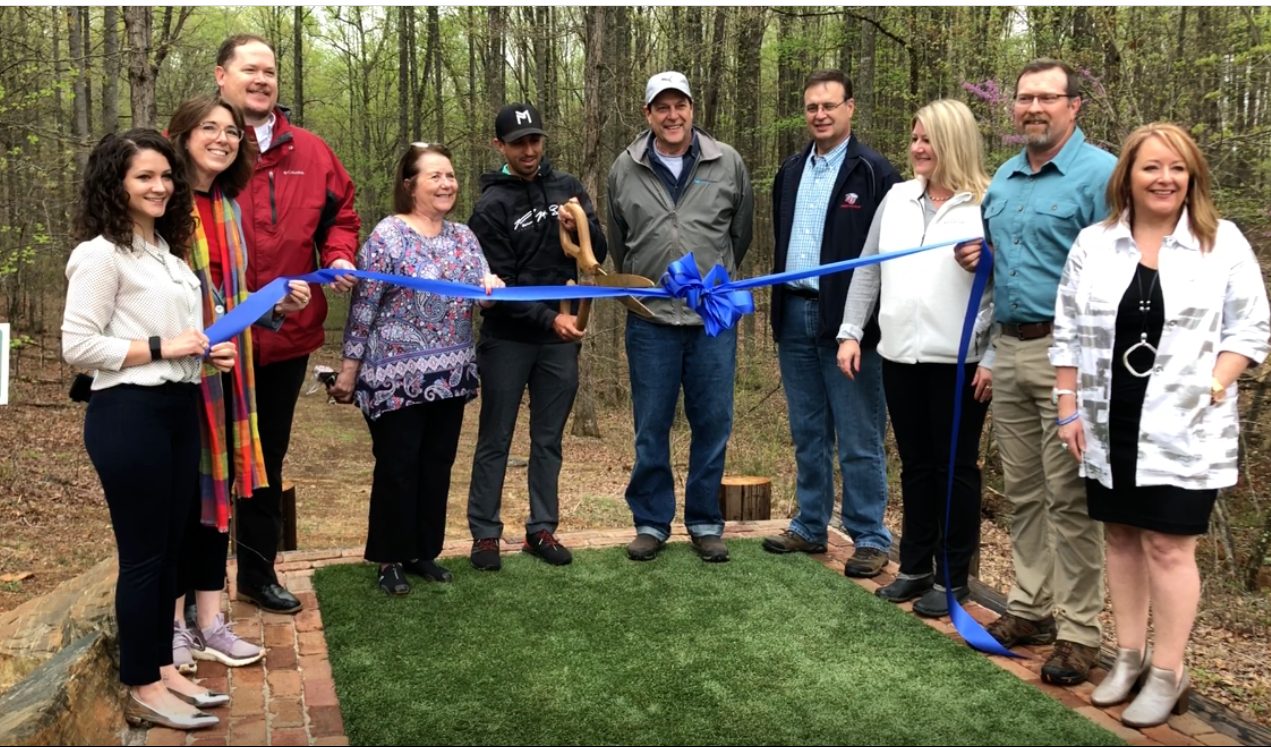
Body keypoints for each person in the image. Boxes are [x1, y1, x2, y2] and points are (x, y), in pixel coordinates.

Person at [1051, 123, 1269, 726]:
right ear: (1129, 176)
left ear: (1192, 175)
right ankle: (1128, 655)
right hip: (1106, 415)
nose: (1164, 179)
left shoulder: (1221, 243)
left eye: (1176, 168)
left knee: (1169, 546)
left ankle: (1169, 672)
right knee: (1120, 536)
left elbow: (1250, 330)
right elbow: (1066, 329)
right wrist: (1067, 405)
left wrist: (1215, 384)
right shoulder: (1095, 244)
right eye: (1151, 168)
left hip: (1185, 424)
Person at [62, 130, 235, 730]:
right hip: (127, 416)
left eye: (165, 176)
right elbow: (78, 346)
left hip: (178, 408)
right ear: (117, 183)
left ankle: (161, 669)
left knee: (169, 554)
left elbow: (176, 342)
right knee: (143, 559)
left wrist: (203, 355)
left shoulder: (167, 251)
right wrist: (167, 345)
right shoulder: (100, 254)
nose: (160, 186)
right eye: (145, 177)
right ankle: (140, 683)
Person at [954, 59, 1116, 685]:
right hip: (1012, 349)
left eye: (1047, 97)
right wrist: (981, 257)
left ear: (1075, 106)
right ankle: (1030, 607)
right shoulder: (1004, 179)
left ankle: (1079, 634)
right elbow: (1003, 268)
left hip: (1070, 356)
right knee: (1022, 492)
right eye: (1024, 99)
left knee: (1070, 498)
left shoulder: (1100, 175)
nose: (1033, 108)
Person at [214, 34, 361, 614]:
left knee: (263, 458)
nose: (261, 79)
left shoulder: (313, 151)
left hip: (286, 339)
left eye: (269, 71)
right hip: (210, 339)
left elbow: (340, 216)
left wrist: (340, 254)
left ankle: (256, 572)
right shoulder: (202, 145)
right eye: (249, 69)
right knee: (203, 462)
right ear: (222, 76)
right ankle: (193, 586)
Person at [166, 95, 310, 672]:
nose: (224, 139)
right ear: (181, 135)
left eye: (231, 132)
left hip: (230, 373)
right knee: (180, 502)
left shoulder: (225, 204)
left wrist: (275, 305)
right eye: (210, 129)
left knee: (213, 501)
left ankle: (209, 622)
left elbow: (231, 294)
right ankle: (172, 625)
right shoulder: (164, 202)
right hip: (176, 374)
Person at [837, 99, 993, 617]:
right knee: (916, 466)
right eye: (915, 139)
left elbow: (1003, 288)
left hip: (960, 362)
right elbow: (869, 269)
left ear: (954, 143)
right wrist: (851, 331)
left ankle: (953, 579)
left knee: (956, 468)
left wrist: (990, 353)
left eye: (928, 140)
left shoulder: (986, 206)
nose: (918, 149)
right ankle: (914, 567)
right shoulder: (899, 198)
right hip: (901, 355)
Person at [329, 143, 502, 595]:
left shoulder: (464, 238)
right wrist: (350, 369)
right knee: (398, 467)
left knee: (436, 465)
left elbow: (483, 293)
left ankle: (423, 551)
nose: (447, 184)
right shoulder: (387, 236)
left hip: (450, 375)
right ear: (410, 184)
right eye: (435, 176)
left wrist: (491, 286)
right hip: (393, 380)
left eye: (450, 175)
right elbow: (364, 306)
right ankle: (389, 557)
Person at [606, 71, 753, 563]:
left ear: (692, 109)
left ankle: (706, 521)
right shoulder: (623, 168)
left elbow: (741, 235)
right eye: (662, 107)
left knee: (712, 421)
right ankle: (651, 521)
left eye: (680, 105)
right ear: (648, 114)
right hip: (649, 320)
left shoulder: (727, 161)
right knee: (652, 424)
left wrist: (713, 278)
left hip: (711, 319)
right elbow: (618, 237)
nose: (672, 116)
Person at [762, 70, 900, 578]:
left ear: (850, 108)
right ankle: (810, 524)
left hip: (850, 321)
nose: (820, 114)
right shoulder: (791, 169)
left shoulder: (874, 172)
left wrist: (859, 325)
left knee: (858, 431)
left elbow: (885, 258)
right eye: (812, 107)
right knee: (807, 429)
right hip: (794, 311)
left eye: (829, 105)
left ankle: (868, 534)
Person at [466, 103, 608, 571]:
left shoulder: (567, 187)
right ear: (500, 146)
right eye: (518, 142)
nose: (529, 150)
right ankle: (485, 534)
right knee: (496, 438)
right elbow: (497, 285)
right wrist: (549, 320)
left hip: (559, 341)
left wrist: (579, 225)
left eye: (535, 140)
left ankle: (541, 528)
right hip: (508, 340)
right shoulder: (489, 207)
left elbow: (597, 253)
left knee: (548, 439)